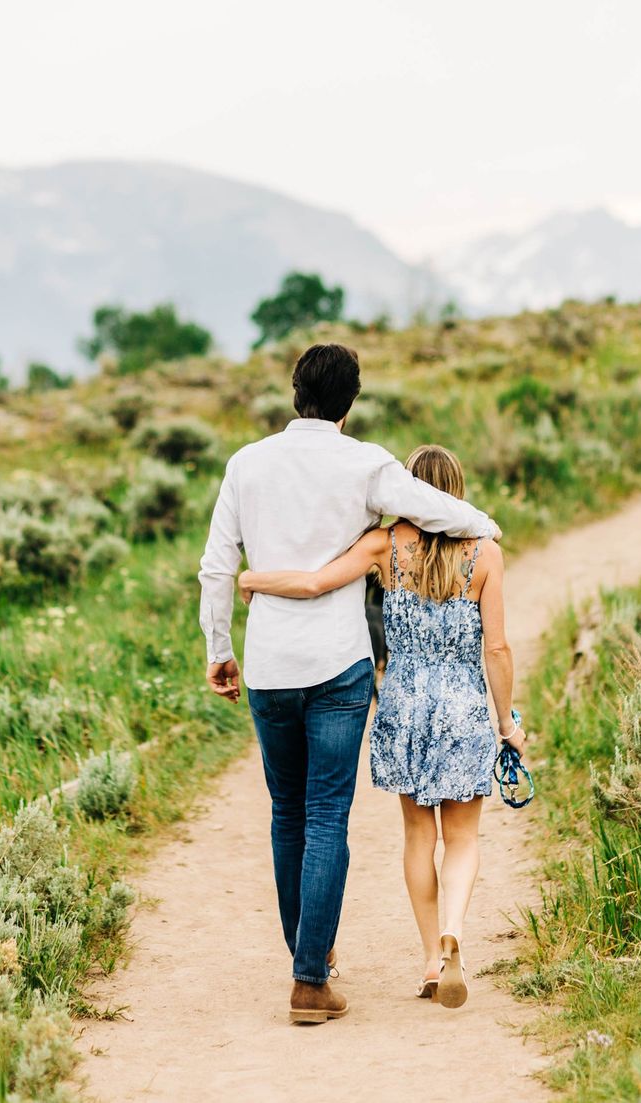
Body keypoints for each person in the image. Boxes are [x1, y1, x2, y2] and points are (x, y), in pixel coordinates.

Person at [198, 344, 502, 1024]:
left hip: (270, 662)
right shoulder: (365, 463)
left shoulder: (246, 464)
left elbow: (216, 568)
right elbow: (438, 510)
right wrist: (485, 525)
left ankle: (314, 959)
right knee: (326, 814)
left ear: (295, 391)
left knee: (285, 812)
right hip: (338, 666)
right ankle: (311, 976)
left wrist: (220, 648)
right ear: (350, 400)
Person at [237, 444, 526, 1010]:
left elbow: (315, 583)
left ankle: (427, 959)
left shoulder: (384, 545)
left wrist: (255, 577)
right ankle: (454, 937)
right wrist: (505, 722)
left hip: (403, 704)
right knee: (463, 837)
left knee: (419, 836)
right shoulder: (485, 553)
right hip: (463, 704)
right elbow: (497, 646)